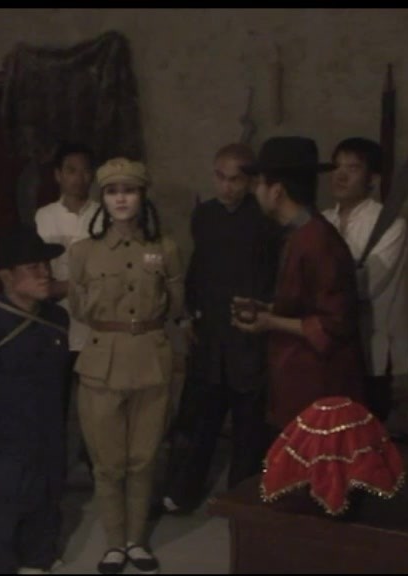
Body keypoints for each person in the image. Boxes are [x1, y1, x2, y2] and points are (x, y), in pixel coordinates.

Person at [67, 157, 184, 575]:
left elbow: (176, 305)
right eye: (112, 192)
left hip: (151, 359)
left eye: (129, 190)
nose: (121, 199)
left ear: (142, 196)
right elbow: (78, 308)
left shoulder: (165, 248)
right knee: (107, 463)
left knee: (144, 459)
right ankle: (114, 544)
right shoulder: (83, 251)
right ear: (102, 199)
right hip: (102, 363)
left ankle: (136, 541)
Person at [160, 143, 281, 515]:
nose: (226, 186)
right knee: (199, 419)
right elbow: (198, 268)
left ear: (250, 181)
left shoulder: (265, 221)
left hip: (248, 336)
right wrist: (188, 315)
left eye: (235, 180)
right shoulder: (205, 215)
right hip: (209, 335)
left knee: (249, 426)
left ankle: (241, 499)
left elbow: (272, 279)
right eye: (220, 177)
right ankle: (182, 492)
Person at [0, 224, 70, 574]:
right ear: (6, 275)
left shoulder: (57, 319)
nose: (45, 273)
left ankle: (38, 556)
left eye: (46, 265)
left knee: (46, 499)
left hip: (48, 435)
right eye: (33, 267)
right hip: (1, 442)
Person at [232, 136, 366, 433]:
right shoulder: (300, 234)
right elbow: (305, 303)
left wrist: (269, 322)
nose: (255, 191)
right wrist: (267, 309)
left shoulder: (317, 240)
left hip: (318, 384)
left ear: (277, 191)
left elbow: (334, 323)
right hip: (297, 378)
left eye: (260, 183)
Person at [322, 137, 408, 422]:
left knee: (365, 432)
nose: (341, 175)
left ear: (372, 178)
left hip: (371, 349)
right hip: (327, 348)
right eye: (337, 167)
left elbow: (365, 286)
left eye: (353, 168)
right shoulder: (322, 221)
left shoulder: (391, 224)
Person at [34, 141, 99, 475]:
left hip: (94, 324)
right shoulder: (44, 216)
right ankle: (54, 466)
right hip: (56, 322)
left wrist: (66, 286)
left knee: (94, 403)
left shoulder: (103, 216)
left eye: (85, 171)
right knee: (55, 399)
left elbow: (107, 272)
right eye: (71, 170)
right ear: (58, 175)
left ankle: (92, 462)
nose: (79, 178)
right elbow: (38, 268)